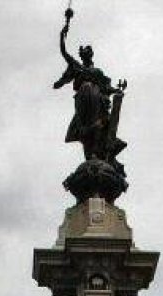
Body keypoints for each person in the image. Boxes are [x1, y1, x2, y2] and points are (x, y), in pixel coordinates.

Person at [53, 9, 127, 173]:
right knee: (83, 125)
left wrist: (118, 90)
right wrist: (62, 34)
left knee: (100, 125)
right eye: (82, 52)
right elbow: (64, 52)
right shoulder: (76, 67)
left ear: (90, 55)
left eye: (86, 52)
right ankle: (87, 138)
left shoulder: (97, 72)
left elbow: (107, 87)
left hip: (97, 99)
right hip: (82, 99)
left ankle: (96, 149)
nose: (84, 54)